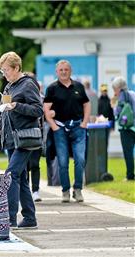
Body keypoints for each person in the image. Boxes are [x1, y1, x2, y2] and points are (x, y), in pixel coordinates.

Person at [0, 51, 43, 229]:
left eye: (6, 71)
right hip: (11, 140)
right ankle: (29, 218)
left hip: (25, 138)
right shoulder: (9, 87)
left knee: (10, 176)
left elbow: (38, 110)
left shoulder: (27, 85)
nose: (4, 75)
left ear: (16, 68)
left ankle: (8, 219)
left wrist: (16, 106)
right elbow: (3, 115)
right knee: (21, 178)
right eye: (2, 72)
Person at [44, 60, 90, 203]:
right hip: (60, 128)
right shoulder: (52, 88)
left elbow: (87, 104)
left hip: (78, 128)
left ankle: (77, 189)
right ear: (57, 72)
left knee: (80, 160)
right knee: (63, 162)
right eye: (61, 70)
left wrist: (84, 123)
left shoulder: (79, 87)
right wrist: (53, 126)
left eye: (66, 69)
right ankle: (65, 190)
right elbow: (46, 108)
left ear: (70, 71)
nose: (64, 72)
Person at [112, 77, 135, 180]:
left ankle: (130, 176)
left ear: (118, 88)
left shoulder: (122, 97)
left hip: (126, 129)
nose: (114, 91)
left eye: (114, 88)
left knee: (128, 153)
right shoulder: (132, 94)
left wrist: (113, 106)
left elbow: (118, 115)